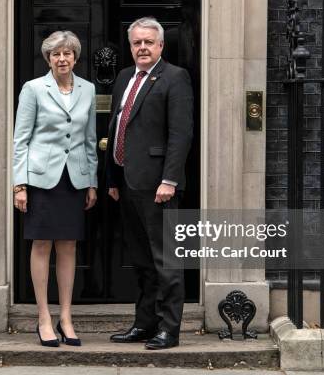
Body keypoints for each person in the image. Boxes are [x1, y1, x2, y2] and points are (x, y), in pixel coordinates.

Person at [105, 17, 193, 350]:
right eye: (136, 42)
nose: (142, 47)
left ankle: (169, 329)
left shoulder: (175, 77)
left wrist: (169, 179)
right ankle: (145, 324)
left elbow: (181, 134)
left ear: (160, 46)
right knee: (142, 261)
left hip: (159, 186)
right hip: (127, 182)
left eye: (148, 42)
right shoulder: (125, 77)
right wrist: (112, 178)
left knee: (166, 260)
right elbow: (116, 129)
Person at [12, 30, 98, 347]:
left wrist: (92, 182)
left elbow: (89, 140)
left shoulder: (88, 90)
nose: (62, 59)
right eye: (55, 54)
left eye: (67, 53)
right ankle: (43, 318)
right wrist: (19, 185)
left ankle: (66, 317)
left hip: (74, 179)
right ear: (48, 58)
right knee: (41, 245)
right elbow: (21, 139)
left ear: (75, 56)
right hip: (41, 179)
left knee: (68, 247)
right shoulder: (33, 89)